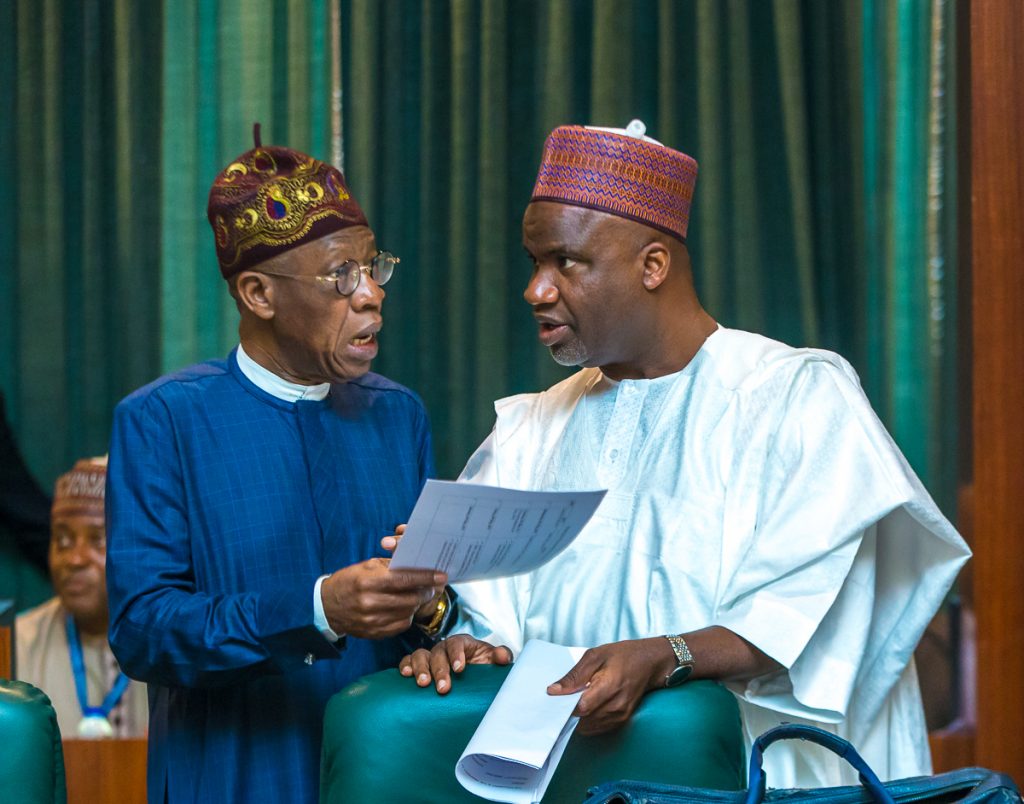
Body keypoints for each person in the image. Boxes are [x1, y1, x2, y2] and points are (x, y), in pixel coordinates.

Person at [398, 121, 972, 788]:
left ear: (652, 266)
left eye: (566, 262)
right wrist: (457, 634)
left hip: (759, 776)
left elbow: (810, 617)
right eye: (533, 263)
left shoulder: (793, 398)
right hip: (568, 779)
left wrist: (667, 655)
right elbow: (492, 617)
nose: (536, 291)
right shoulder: (534, 425)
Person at [105, 126, 451, 804]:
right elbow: (144, 631)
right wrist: (318, 609)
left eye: (374, 267)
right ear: (259, 295)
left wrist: (434, 610)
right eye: (341, 276)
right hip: (233, 774)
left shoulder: (397, 415)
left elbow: (424, 608)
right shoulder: (164, 421)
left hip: (381, 771)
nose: (371, 295)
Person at [16, 456, 148, 739]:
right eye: (62, 540)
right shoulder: (18, 645)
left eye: (97, 539)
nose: (74, 559)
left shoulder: (169, 641)